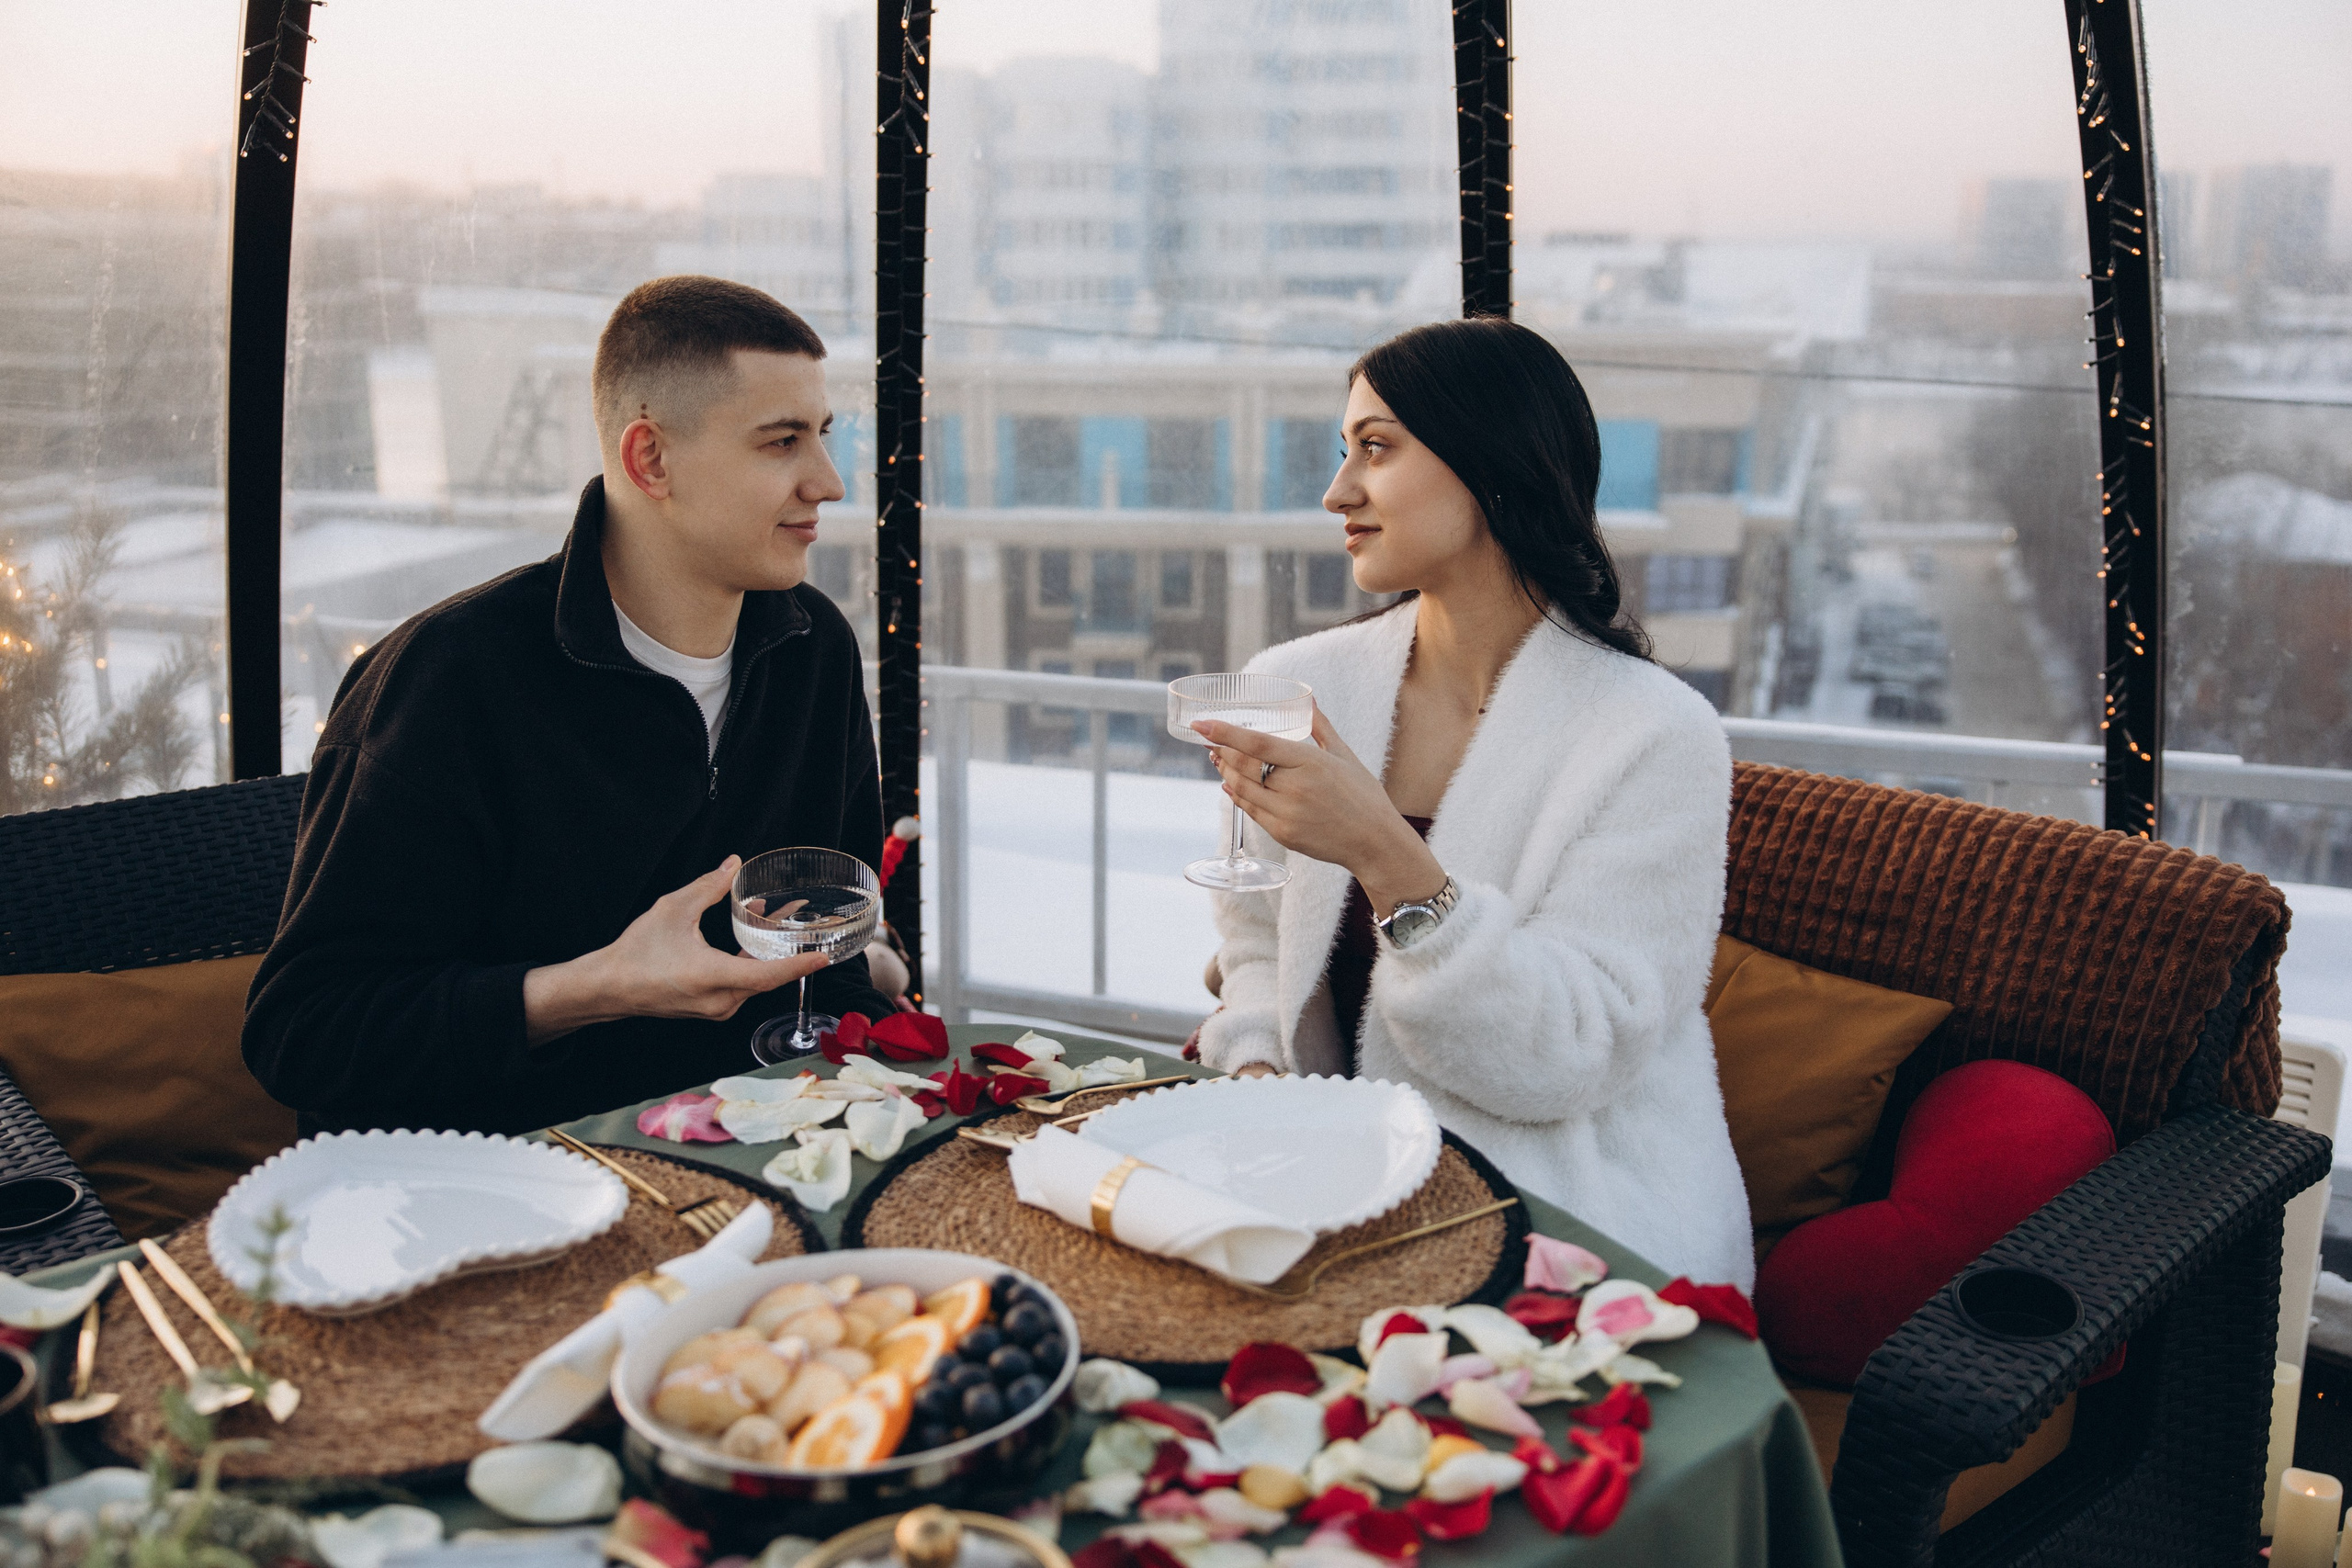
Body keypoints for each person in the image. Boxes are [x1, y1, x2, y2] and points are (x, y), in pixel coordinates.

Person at [244, 276, 893, 1136]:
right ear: (649, 459)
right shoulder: (446, 682)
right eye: (781, 443)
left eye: (822, 436)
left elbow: (831, 956)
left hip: (755, 1158)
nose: (829, 482)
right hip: (506, 1189)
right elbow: (305, 1035)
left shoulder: (816, 647)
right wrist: (592, 989)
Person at [1189, 317, 1754, 1288]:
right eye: (1341, 452)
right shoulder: (1299, 685)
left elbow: (1565, 1061)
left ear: (1491, 464)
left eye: (1376, 448)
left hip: (1572, 1221)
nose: (1337, 492)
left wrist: (1385, 855)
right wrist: (1256, 1077)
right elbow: (1252, 945)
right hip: (1327, 1185)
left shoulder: (1655, 736)